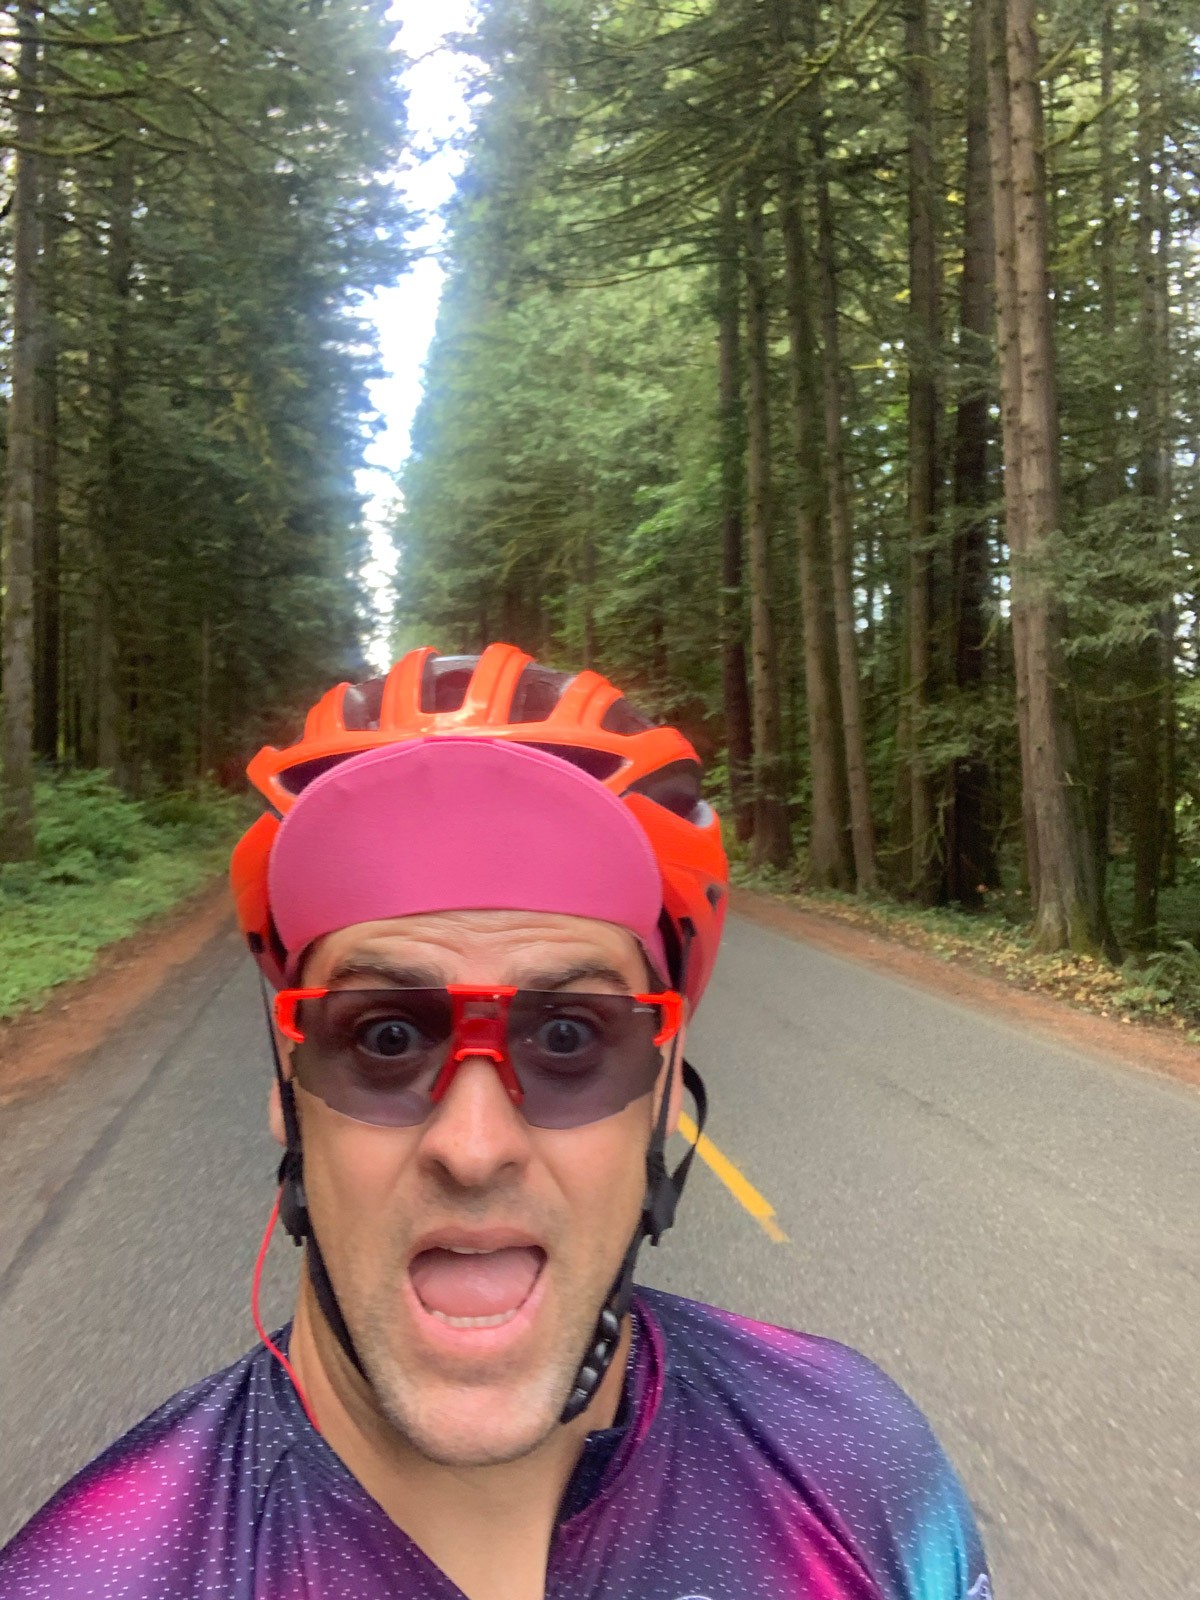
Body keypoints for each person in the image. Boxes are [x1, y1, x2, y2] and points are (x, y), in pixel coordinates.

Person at [0, 645, 992, 1600]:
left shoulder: (863, 1465)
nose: (473, 1147)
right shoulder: (93, 1573)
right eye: (386, 1035)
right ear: (287, 1090)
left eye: (568, 1034)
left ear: (659, 1092)